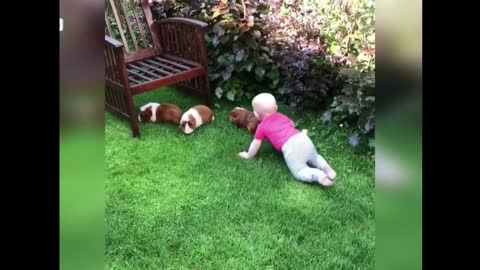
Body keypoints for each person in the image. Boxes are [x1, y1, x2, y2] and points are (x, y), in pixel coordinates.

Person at [238, 93, 336, 187]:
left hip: (291, 147)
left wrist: (248, 155)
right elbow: (292, 124)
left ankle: (320, 176)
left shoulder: (261, 127)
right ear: (275, 108)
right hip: (302, 138)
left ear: (256, 114)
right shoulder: (281, 115)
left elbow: (256, 144)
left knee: (299, 171)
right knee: (315, 157)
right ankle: (327, 169)